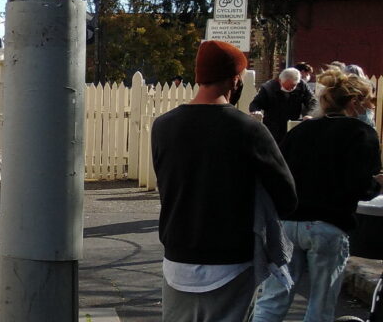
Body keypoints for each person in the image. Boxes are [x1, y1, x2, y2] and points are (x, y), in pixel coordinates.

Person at [152, 40, 297, 322]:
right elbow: (287, 198)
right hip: (231, 258)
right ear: (235, 79)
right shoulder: (249, 129)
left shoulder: (163, 126)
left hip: (177, 254)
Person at [251, 65, 381, 322]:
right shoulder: (362, 134)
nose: (370, 107)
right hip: (328, 224)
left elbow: (280, 175)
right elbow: (360, 187)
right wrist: (377, 184)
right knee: (320, 305)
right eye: (368, 101)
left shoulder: (300, 131)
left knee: (273, 299)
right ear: (355, 102)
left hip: (288, 223)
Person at [249, 67, 317, 144]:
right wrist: (256, 111)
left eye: (293, 86)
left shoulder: (302, 85)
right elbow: (255, 103)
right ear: (280, 80)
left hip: (293, 125)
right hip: (273, 127)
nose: (290, 89)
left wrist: (310, 114)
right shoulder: (268, 88)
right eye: (287, 87)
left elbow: (312, 101)